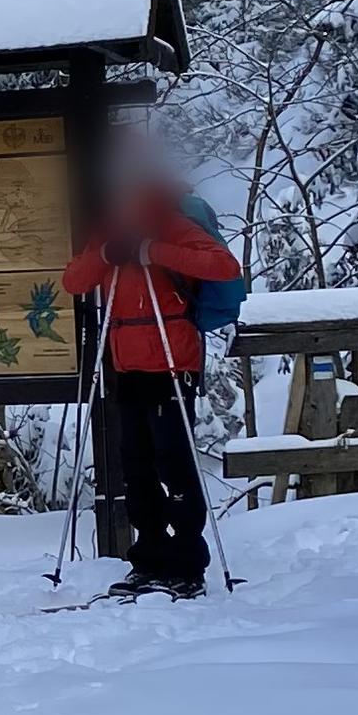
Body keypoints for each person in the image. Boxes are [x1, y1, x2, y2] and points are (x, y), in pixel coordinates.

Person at [61, 145, 240, 599]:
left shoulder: (172, 223)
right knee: (136, 467)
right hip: (126, 363)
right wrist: (107, 252)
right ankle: (150, 559)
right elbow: (75, 281)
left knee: (174, 464)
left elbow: (223, 265)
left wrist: (150, 249)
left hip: (172, 362)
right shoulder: (109, 230)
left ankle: (188, 563)